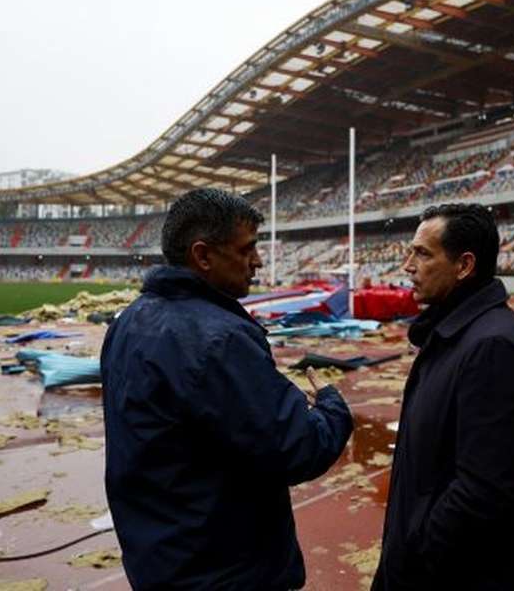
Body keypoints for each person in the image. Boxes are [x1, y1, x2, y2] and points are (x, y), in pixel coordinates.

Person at [101, 188, 354, 590]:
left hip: (158, 557)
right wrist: (332, 404)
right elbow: (299, 448)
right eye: (247, 249)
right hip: (225, 568)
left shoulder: (128, 322)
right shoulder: (220, 340)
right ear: (203, 256)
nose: (257, 261)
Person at [372, 203, 514, 590]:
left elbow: (482, 490)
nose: (407, 266)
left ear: (464, 265)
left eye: (422, 253)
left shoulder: (493, 346)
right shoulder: (453, 334)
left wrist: (417, 557)